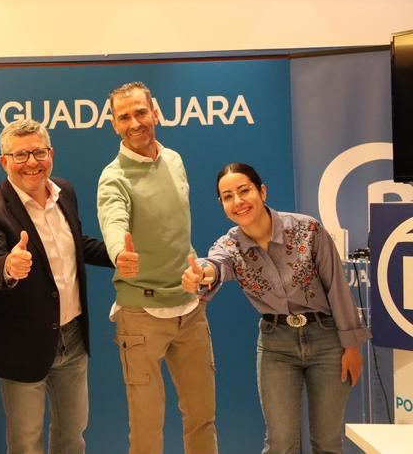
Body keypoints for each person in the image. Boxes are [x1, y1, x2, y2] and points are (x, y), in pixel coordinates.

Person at [182, 162, 370, 453]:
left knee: (327, 441)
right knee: (280, 442)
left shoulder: (307, 229)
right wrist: (202, 274)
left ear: (262, 191)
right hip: (276, 346)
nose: (238, 201)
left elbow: (337, 287)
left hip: (327, 340)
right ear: (222, 204)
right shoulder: (228, 246)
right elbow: (215, 266)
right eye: (228, 196)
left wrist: (351, 346)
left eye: (244, 191)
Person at [0, 119, 125, 454]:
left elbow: (77, 244)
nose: (31, 162)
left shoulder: (64, 191)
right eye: (20, 155)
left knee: (72, 436)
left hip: (73, 337)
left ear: (50, 154)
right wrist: (9, 266)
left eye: (38, 152)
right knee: (26, 444)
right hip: (22, 344)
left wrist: (117, 255)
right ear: (4, 161)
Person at [97, 81, 217, 454]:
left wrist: (195, 271)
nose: (134, 123)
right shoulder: (113, 177)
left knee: (202, 418)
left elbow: (176, 231)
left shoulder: (175, 160)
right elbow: (113, 220)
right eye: (124, 117)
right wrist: (119, 252)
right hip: (141, 314)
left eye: (140, 113)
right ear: (114, 125)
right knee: (147, 430)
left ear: (155, 113)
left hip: (190, 309)